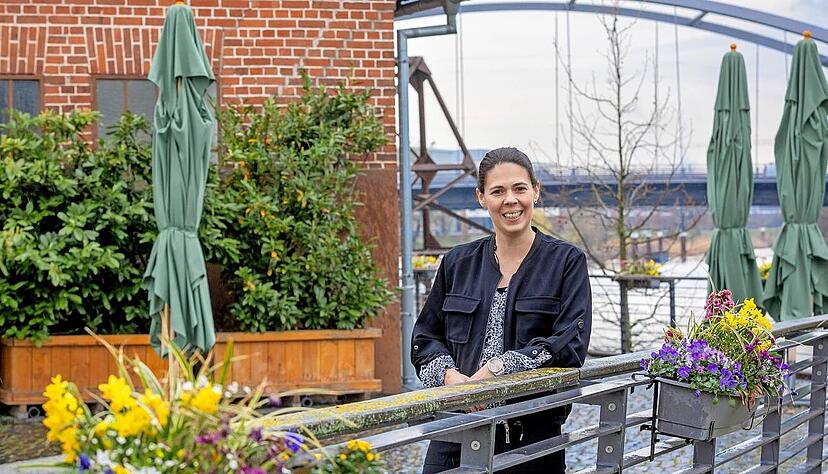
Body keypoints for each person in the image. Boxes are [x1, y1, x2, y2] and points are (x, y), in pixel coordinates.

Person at [411, 147, 592, 473]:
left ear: (535, 190)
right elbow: (425, 339)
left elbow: (569, 345)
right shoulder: (457, 262)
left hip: (531, 440)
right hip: (454, 435)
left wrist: (498, 369)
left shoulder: (566, 262)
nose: (510, 200)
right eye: (497, 191)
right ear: (482, 197)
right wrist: (453, 380)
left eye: (519, 188)